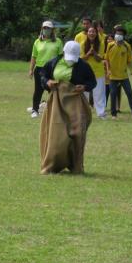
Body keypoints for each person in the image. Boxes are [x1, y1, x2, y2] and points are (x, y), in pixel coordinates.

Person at [38, 41, 96, 174]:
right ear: (63, 52)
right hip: (56, 101)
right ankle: (51, 165)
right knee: (57, 134)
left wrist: (85, 87)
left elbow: (92, 81)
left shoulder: (84, 66)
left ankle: (76, 166)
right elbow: (43, 74)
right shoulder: (53, 62)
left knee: (77, 132)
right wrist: (48, 82)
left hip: (75, 101)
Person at [105, 25, 132, 120]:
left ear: (123, 36)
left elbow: (129, 61)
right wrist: (108, 70)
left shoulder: (127, 46)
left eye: (120, 34)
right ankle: (113, 114)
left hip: (124, 76)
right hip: (113, 76)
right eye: (117, 33)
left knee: (129, 93)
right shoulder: (110, 45)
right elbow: (107, 60)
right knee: (113, 94)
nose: (118, 35)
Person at [28, 21, 63, 118]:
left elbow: (61, 57)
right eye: (45, 28)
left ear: (52, 30)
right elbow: (34, 56)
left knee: (53, 90)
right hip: (39, 69)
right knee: (38, 90)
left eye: (48, 28)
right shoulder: (37, 42)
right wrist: (31, 69)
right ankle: (35, 110)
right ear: (42, 29)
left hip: (53, 70)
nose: (46, 30)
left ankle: (55, 110)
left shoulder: (58, 41)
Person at [80, 26, 108, 119]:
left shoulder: (101, 43)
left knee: (99, 93)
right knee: (84, 93)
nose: (91, 33)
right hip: (85, 72)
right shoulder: (83, 44)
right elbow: (82, 59)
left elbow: (100, 59)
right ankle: (83, 113)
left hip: (98, 71)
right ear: (87, 33)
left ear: (96, 33)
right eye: (90, 32)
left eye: (93, 32)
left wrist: (94, 52)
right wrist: (88, 53)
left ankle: (101, 113)